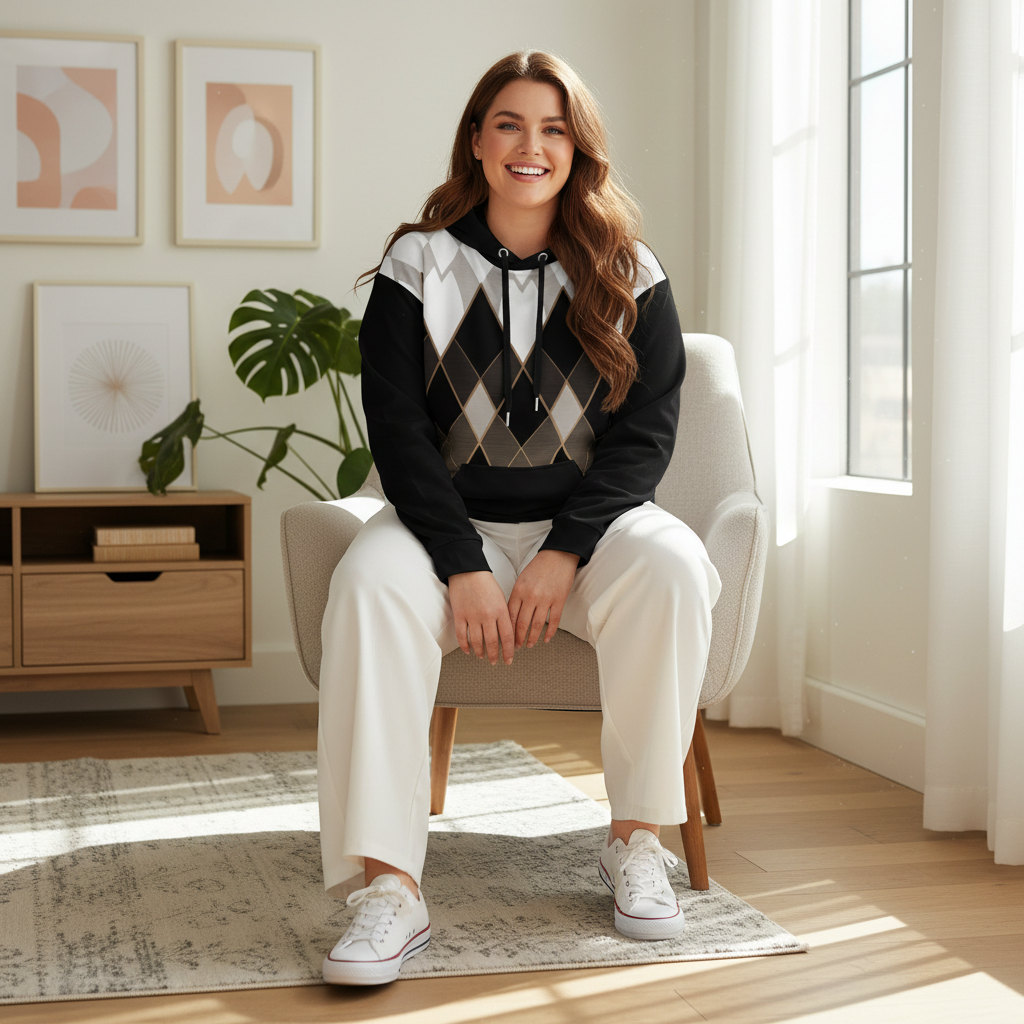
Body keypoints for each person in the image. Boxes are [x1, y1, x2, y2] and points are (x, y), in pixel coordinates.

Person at [317, 50, 721, 986]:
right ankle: (390, 888)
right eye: (508, 123)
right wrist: (460, 560)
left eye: (552, 127)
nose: (530, 145)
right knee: (369, 585)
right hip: (441, 529)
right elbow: (400, 431)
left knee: (670, 564)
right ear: (476, 139)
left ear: (578, 148)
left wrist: (565, 552)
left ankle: (635, 842)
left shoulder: (630, 270)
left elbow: (644, 436)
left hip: (589, 532)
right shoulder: (416, 263)